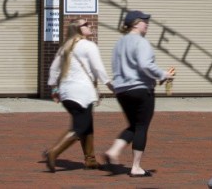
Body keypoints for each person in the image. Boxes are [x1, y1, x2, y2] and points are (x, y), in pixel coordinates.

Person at [102, 10, 175, 178]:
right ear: (135, 23)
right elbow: (145, 64)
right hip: (140, 89)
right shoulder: (141, 42)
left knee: (133, 125)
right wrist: (163, 74)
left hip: (122, 91)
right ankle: (136, 167)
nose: (147, 23)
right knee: (141, 126)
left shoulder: (119, 44)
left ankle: (113, 151)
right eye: (144, 21)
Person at [44, 18, 113, 172]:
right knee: (80, 127)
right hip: (82, 93)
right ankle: (53, 152)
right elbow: (98, 68)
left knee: (86, 125)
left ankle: (90, 160)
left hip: (67, 93)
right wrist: (109, 84)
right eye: (86, 25)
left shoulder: (65, 47)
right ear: (78, 29)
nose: (90, 26)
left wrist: (54, 89)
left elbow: (54, 69)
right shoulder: (89, 46)